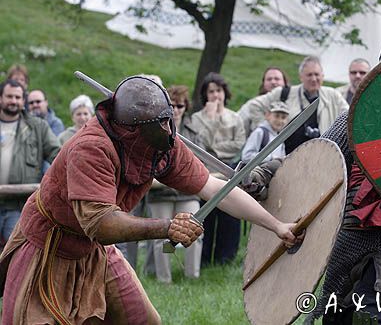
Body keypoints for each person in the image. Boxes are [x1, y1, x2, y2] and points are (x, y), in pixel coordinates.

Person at [0, 75, 298, 324]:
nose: (169, 131)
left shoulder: (164, 146)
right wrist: (167, 227)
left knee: (143, 321)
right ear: (132, 130)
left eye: (169, 122)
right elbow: (101, 224)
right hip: (47, 248)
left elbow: (213, 189)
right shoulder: (91, 148)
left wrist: (276, 226)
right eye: (161, 126)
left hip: (94, 252)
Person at [248, 25, 381, 325]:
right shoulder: (358, 116)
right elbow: (317, 160)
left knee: (373, 306)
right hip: (353, 229)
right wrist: (263, 172)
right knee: (336, 315)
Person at [148, 84, 205, 283]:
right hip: (160, 195)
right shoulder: (154, 130)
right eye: (171, 105)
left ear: (185, 107)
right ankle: (165, 279)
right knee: (161, 237)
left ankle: (192, 276)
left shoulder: (193, 132)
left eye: (180, 106)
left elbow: (201, 164)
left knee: (195, 230)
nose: (176, 110)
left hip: (187, 193)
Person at [191, 72, 247, 266]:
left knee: (230, 212)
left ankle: (226, 257)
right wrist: (212, 119)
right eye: (211, 91)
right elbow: (199, 144)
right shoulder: (197, 119)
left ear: (225, 92)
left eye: (219, 90)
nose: (216, 95)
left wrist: (214, 149)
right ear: (205, 95)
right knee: (208, 212)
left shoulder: (235, 117)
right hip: (206, 169)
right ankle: (205, 257)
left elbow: (238, 143)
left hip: (228, 167)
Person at [244, 56, 349, 154]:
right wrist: (268, 130)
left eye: (317, 74)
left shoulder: (333, 95)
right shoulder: (284, 93)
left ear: (323, 76)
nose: (313, 79)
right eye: (309, 75)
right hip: (286, 155)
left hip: (321, 154)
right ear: (301, 77)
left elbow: (348, 117)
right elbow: (255, 106)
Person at [0, 79, 60, 243]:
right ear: (1, 98)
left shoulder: (38, 127)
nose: (13, 101)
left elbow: (58, 156)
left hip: (20, 206)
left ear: (23, 101)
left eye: (18, 97)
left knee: (16, 256)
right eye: (9, 96)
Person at [238, 66, 289, 136]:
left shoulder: (291, 103)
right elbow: (239, 125)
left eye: (277, 79)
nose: (273, 82)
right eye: (269, 79)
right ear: (263, 83)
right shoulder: (253, 104)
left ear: (284, 82)